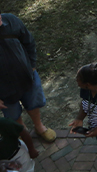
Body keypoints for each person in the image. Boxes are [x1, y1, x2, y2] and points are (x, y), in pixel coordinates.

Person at [0, 11, 56, 149]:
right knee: (13, 113)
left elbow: (28, 42)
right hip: (3, 89)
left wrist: (32, 66)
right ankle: (22, 132)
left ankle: (39, 127)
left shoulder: (11, 20)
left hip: (27, 77)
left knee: (33, 104)